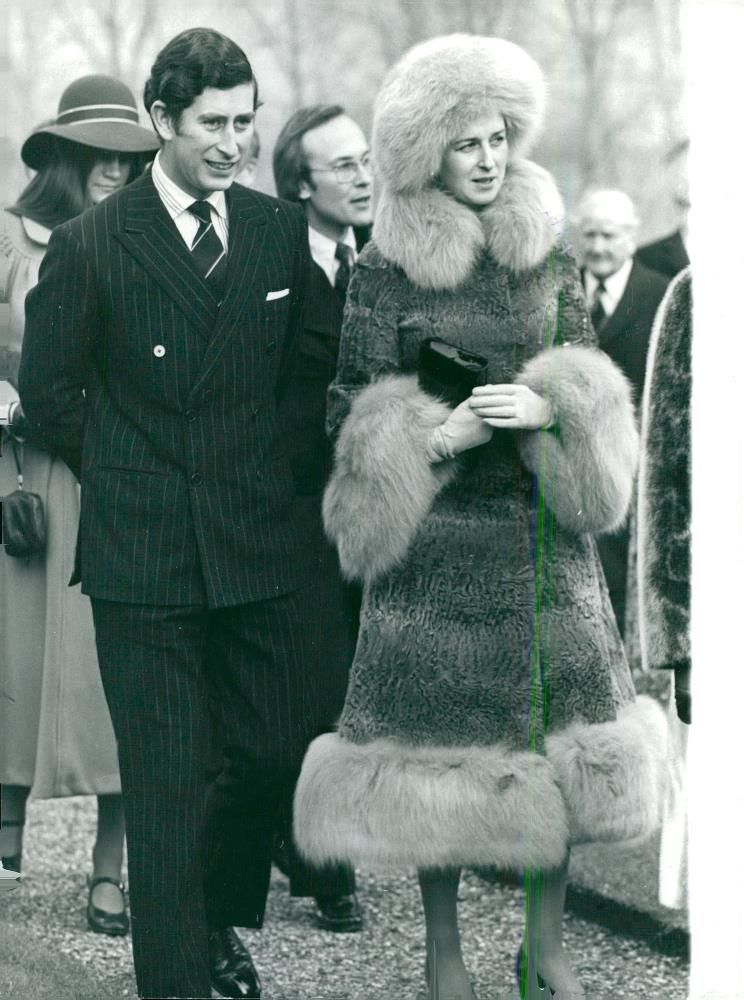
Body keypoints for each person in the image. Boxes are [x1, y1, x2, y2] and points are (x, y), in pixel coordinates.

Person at [292, 35, 670, 1000]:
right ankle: (443, 952)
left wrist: (554, 406)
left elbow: (595, 381)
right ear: (426, 153)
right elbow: (346, 405)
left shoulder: (547, 253)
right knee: (440, 765)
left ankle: (544, 947)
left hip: (547, 553)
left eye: (500, 136)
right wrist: (439, 433)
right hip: (433, 560)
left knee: (559, 755)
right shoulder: (384, 270)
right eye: (467, 142)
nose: (490, 158)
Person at [19, 28, 313, 1000]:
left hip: (257, 547)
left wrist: (263, 479)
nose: (233, 142)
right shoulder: (91, 244)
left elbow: (304, 379)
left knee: (276, 749)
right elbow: (55, 394)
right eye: (214, 124)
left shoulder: (276, 233)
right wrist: (138, 469)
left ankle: (216, 910)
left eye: (246, 123)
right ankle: (180, 979)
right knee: (164, 789)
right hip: (143, 557)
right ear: (162, 123)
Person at [0, 74, 160, 935]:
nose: (115, 169)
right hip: (19, 474)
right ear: (63, 155)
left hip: (112, 475)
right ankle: (7, 831)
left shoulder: (138, 242)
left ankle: (111, 871)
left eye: (131, 156)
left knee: (114, 677)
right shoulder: (7, 239)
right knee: (11, 665)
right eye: (100, 152)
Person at [270, 103, 373, 933]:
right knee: (313, 690)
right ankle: (325, 867)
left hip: (371, 518)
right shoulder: (272, 268)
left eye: (364, 159)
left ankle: (306, 838)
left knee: (350, 691)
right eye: (342, 165)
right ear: (301, 183)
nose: (363, 175)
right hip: (292, 513)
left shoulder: (377, 267)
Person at [575, 188, 670, 639]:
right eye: (589, 234)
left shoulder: (660, 294)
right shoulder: (564, 290)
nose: (597, 247)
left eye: (609, 236)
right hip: (572, 464)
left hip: (634, 465)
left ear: (631, 238)